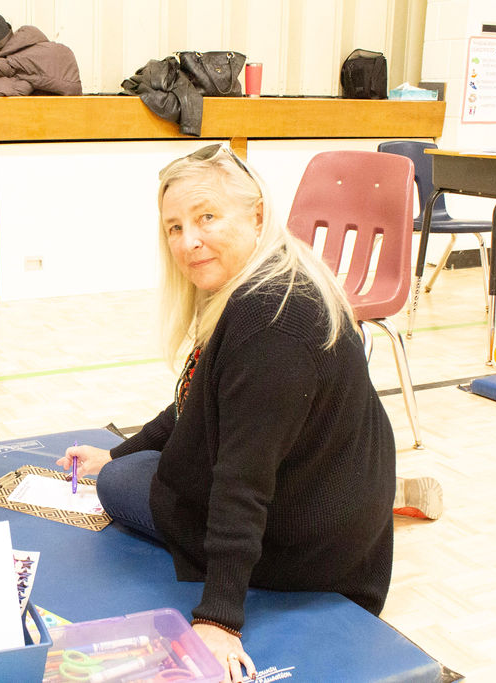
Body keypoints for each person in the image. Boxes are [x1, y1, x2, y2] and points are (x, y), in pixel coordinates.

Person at [57, 144, 396, 682]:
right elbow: (199, 404)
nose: (187, 241)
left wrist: (219, 619)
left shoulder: (268, 322)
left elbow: (244, 480)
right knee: (125, 466)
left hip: (306, 549)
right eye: (173, 227)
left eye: (206, 217)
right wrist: (117, 449)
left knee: (121, 484)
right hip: (329, 518)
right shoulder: (278, 277)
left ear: (256, 213)